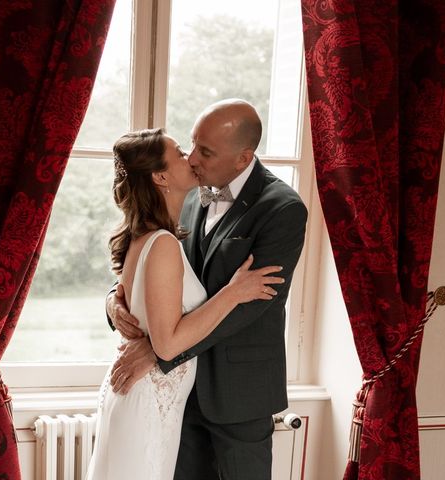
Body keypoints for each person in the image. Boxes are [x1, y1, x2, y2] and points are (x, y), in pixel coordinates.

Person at [107, 99, 308, 480]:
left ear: (243, 157)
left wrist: (158, 349)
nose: (194, 158)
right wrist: (114, 302)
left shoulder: (282, 209)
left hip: (239, 398)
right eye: (192, 145)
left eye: (206, 151)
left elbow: (253, 305)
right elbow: (155, 271)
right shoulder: (184, 196)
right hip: (180, 396)